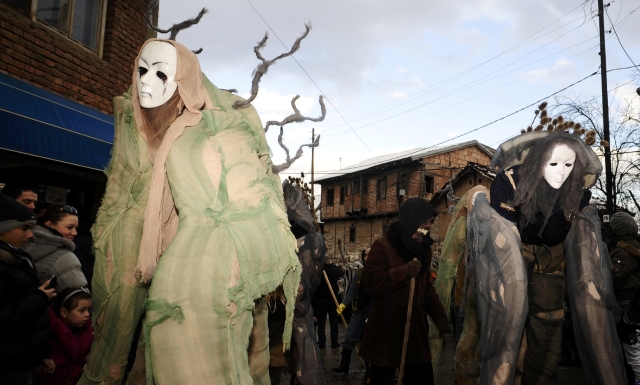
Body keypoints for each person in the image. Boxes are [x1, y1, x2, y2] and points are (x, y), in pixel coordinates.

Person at [81, 39, 301, 385]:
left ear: (182, 78)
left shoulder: (222, 124)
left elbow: (253, 196)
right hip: (147, 261)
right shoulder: (133, 124)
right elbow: (122, 198)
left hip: (211, 268)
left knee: (223, 356)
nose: (145, 81)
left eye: (160, 72)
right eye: (141, 69)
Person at [359, 198, 447, 385]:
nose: (428, 228)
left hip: (414, 332)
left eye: (430, 224)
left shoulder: (423, 250)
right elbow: (370, 282)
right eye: (425, 224)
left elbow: (426, 289)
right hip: (386, 332)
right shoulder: (383, 246)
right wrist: (403, 273)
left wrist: (439, 315)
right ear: (412, 221)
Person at [0, 195, 56, 384]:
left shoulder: (18, 257)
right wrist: (39, 297)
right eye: (24, 228)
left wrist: (38, 357)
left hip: (20, 359)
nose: (31, 235)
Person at [23, 205, 87, 292]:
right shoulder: (65, 257)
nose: (75, 233)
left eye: (76, 228)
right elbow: (80, 301)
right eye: (69, 227)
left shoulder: (20, 244)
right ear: (49, 225)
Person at [37, 287, 93, 385]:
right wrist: (45, 369)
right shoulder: (48, 332)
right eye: (82, 310)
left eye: (89, 310)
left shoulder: (87, 330)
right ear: (64, 312)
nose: (87, 315)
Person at [609, 212, 640, 382]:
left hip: (626, 302)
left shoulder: (623, 249)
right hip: (632, 301)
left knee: (629, 346)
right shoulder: (633, 245)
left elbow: (616, 276)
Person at [332, 248, 371, 375]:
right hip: (359, 311)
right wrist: (343, 305)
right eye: (365, 255)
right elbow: (352, 291)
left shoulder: (381, 272)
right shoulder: (359, 273)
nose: (367, 257)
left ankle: (370, 371)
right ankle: (344, 365)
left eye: (370, 255)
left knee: (371, 342)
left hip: (374, 312)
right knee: (350, 337)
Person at [313, 260, 344, 349]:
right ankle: (334, 342)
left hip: (320, 300)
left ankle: (322, 343)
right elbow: (341, 273)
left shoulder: (317, 270)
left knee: (321, 322)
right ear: (329, 261)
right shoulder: (335, 270)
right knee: (333, 322)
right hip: (332, 299)